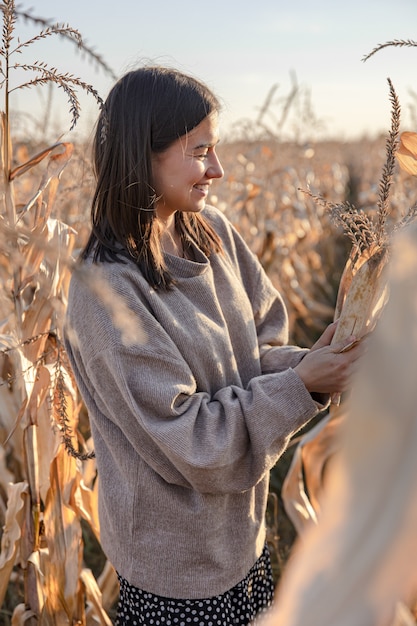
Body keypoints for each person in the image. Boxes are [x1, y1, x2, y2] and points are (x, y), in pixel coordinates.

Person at [63, 65, 363, 625]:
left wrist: (314, 364)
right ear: (142, 155)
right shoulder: (105, 295)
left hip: (244, 542)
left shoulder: (213, 231)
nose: (218, 170)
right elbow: (194, 442)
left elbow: (258, 352)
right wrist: (304, 384)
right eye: (200, 151)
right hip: (177, 582)